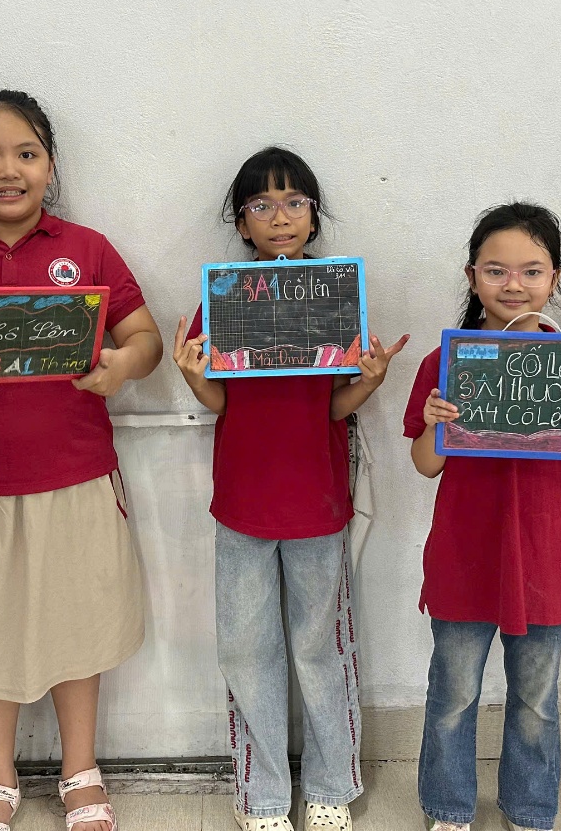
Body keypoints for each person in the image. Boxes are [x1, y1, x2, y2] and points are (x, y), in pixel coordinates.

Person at [0, 90, 162, 831]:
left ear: (49, 164)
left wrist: (120, 365)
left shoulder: (90, 249)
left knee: (79, 623)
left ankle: (81, 769)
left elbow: (145, 339)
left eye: (25, 153)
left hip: (75, 475)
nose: (7, 170)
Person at [173, 146, 407, 831]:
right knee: (247, 650)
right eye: (262, 206)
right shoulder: (223, 298)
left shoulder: (336, 296)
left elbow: (334, 407)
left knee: (320, 645)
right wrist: (192, 376)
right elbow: (221, 404)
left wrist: (371, 379)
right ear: (242, 223)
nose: (280, 217)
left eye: (294, 202)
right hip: (243, 501)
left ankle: (332, 783)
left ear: (313, 215)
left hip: (319, 500)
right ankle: (263, 793)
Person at [404, 202, 561, 831]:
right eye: (496, 270)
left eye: (531, 271)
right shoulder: (446, 363)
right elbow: (425, 464)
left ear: (555, 277)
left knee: (536, 701)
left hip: (546, 557)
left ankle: (530, 811)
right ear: (471, 276)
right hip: (465, 557)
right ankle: (449, 808)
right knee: (453, 697)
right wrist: (434, 425)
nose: (514, 284)